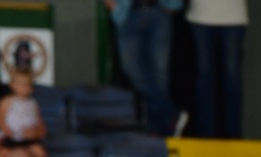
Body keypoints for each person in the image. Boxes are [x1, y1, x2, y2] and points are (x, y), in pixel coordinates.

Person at [105, 0, 185, 137]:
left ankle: (159, 130)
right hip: (128, 12)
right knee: (131, 69)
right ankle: (171, 114)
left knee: (160, 74)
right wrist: (112, 5)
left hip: (159, 10)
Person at [186, 0, 246, 138]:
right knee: (204, 79)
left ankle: (233, 136)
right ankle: (205, 135)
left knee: (232, 78)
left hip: (234, 16)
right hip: (200, 15)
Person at [0, 67, 44, 157]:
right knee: (3, 154)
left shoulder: (33, 103)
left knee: (41, 153)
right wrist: (6, 129)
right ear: (12, 85)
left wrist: (34, 132)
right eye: (20, 83)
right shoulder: (8, 101)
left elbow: (39, 123)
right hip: (11, 135)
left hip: (27, 137)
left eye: (27, 84)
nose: (24, 87)